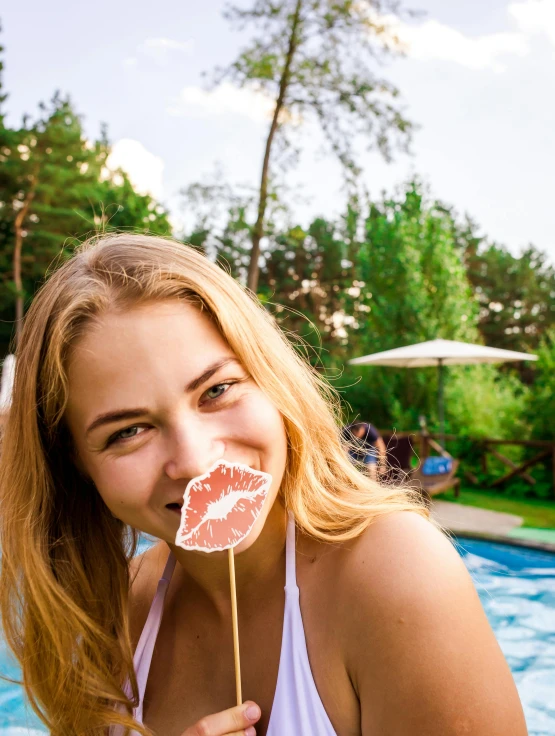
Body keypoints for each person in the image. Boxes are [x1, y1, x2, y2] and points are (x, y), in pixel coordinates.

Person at [0, 233, 527, 736]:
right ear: (76, 466)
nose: (196, 459)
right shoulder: (115, 615)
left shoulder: (395, 573)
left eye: (217, 390)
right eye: (129, 431)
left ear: (271, 379)